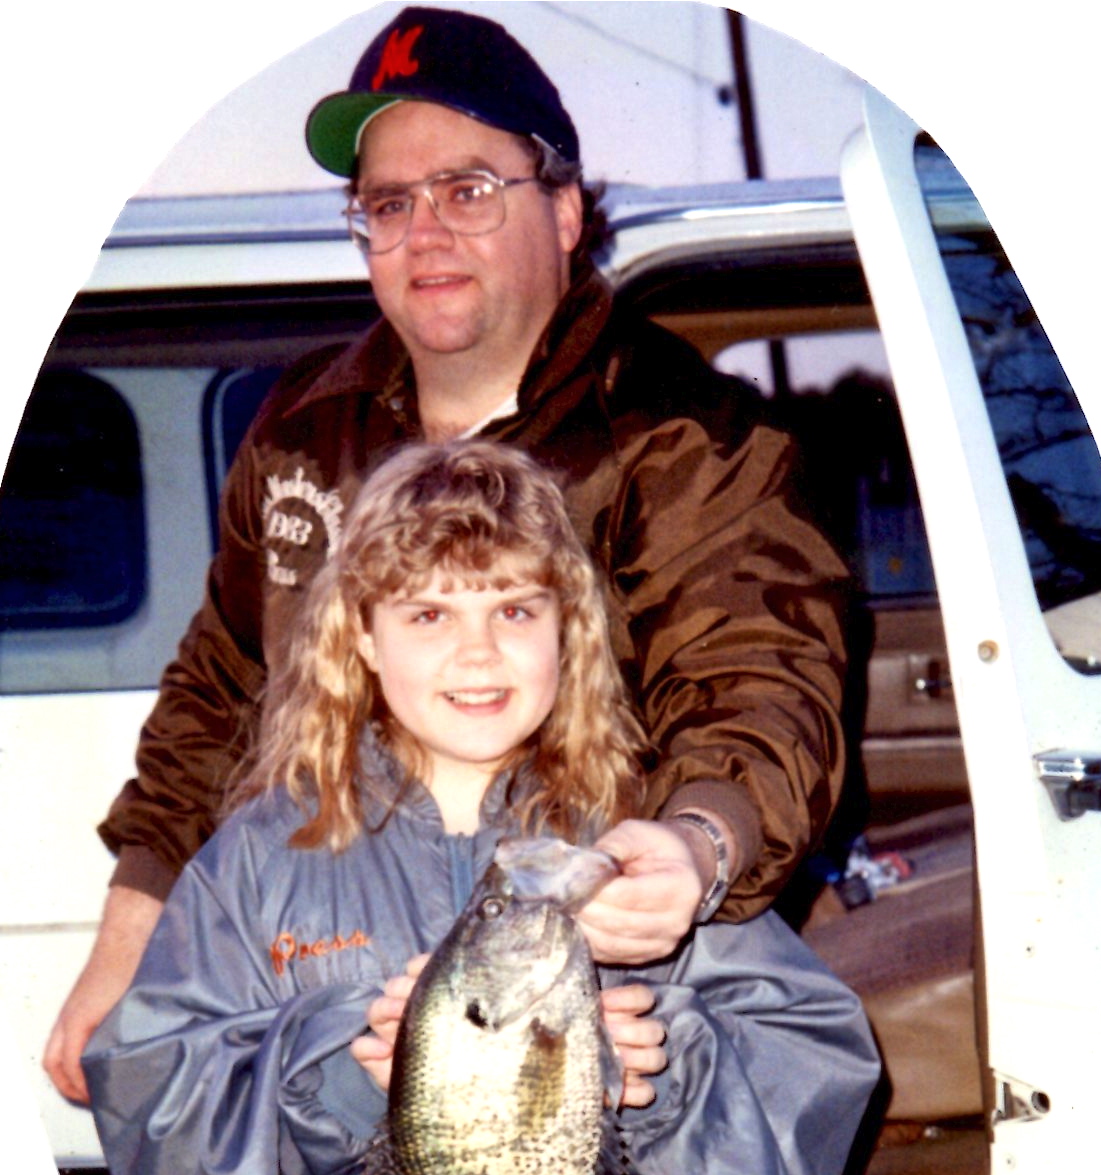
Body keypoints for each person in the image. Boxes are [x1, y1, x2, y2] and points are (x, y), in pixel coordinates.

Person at [46, 6, 850, 1102]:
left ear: (564, 210)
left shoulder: (694, 439)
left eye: (467, 190)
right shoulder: (303, 426)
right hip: (327, 989)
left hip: (580, 996)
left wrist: (697, 845)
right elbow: (222, 684)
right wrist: (130, 933)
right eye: (390, 203)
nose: (424, 232)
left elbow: (758, 681)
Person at [82, 440, 878, 1175]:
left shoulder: (643, 858)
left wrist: (666, 1072)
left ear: (569, 628)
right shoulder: (257, 864)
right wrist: (343, 1076)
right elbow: (176, 1164)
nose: (478, 650)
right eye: (427, 613)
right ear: (360, 635)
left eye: (513, 608)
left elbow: (795, 1156)